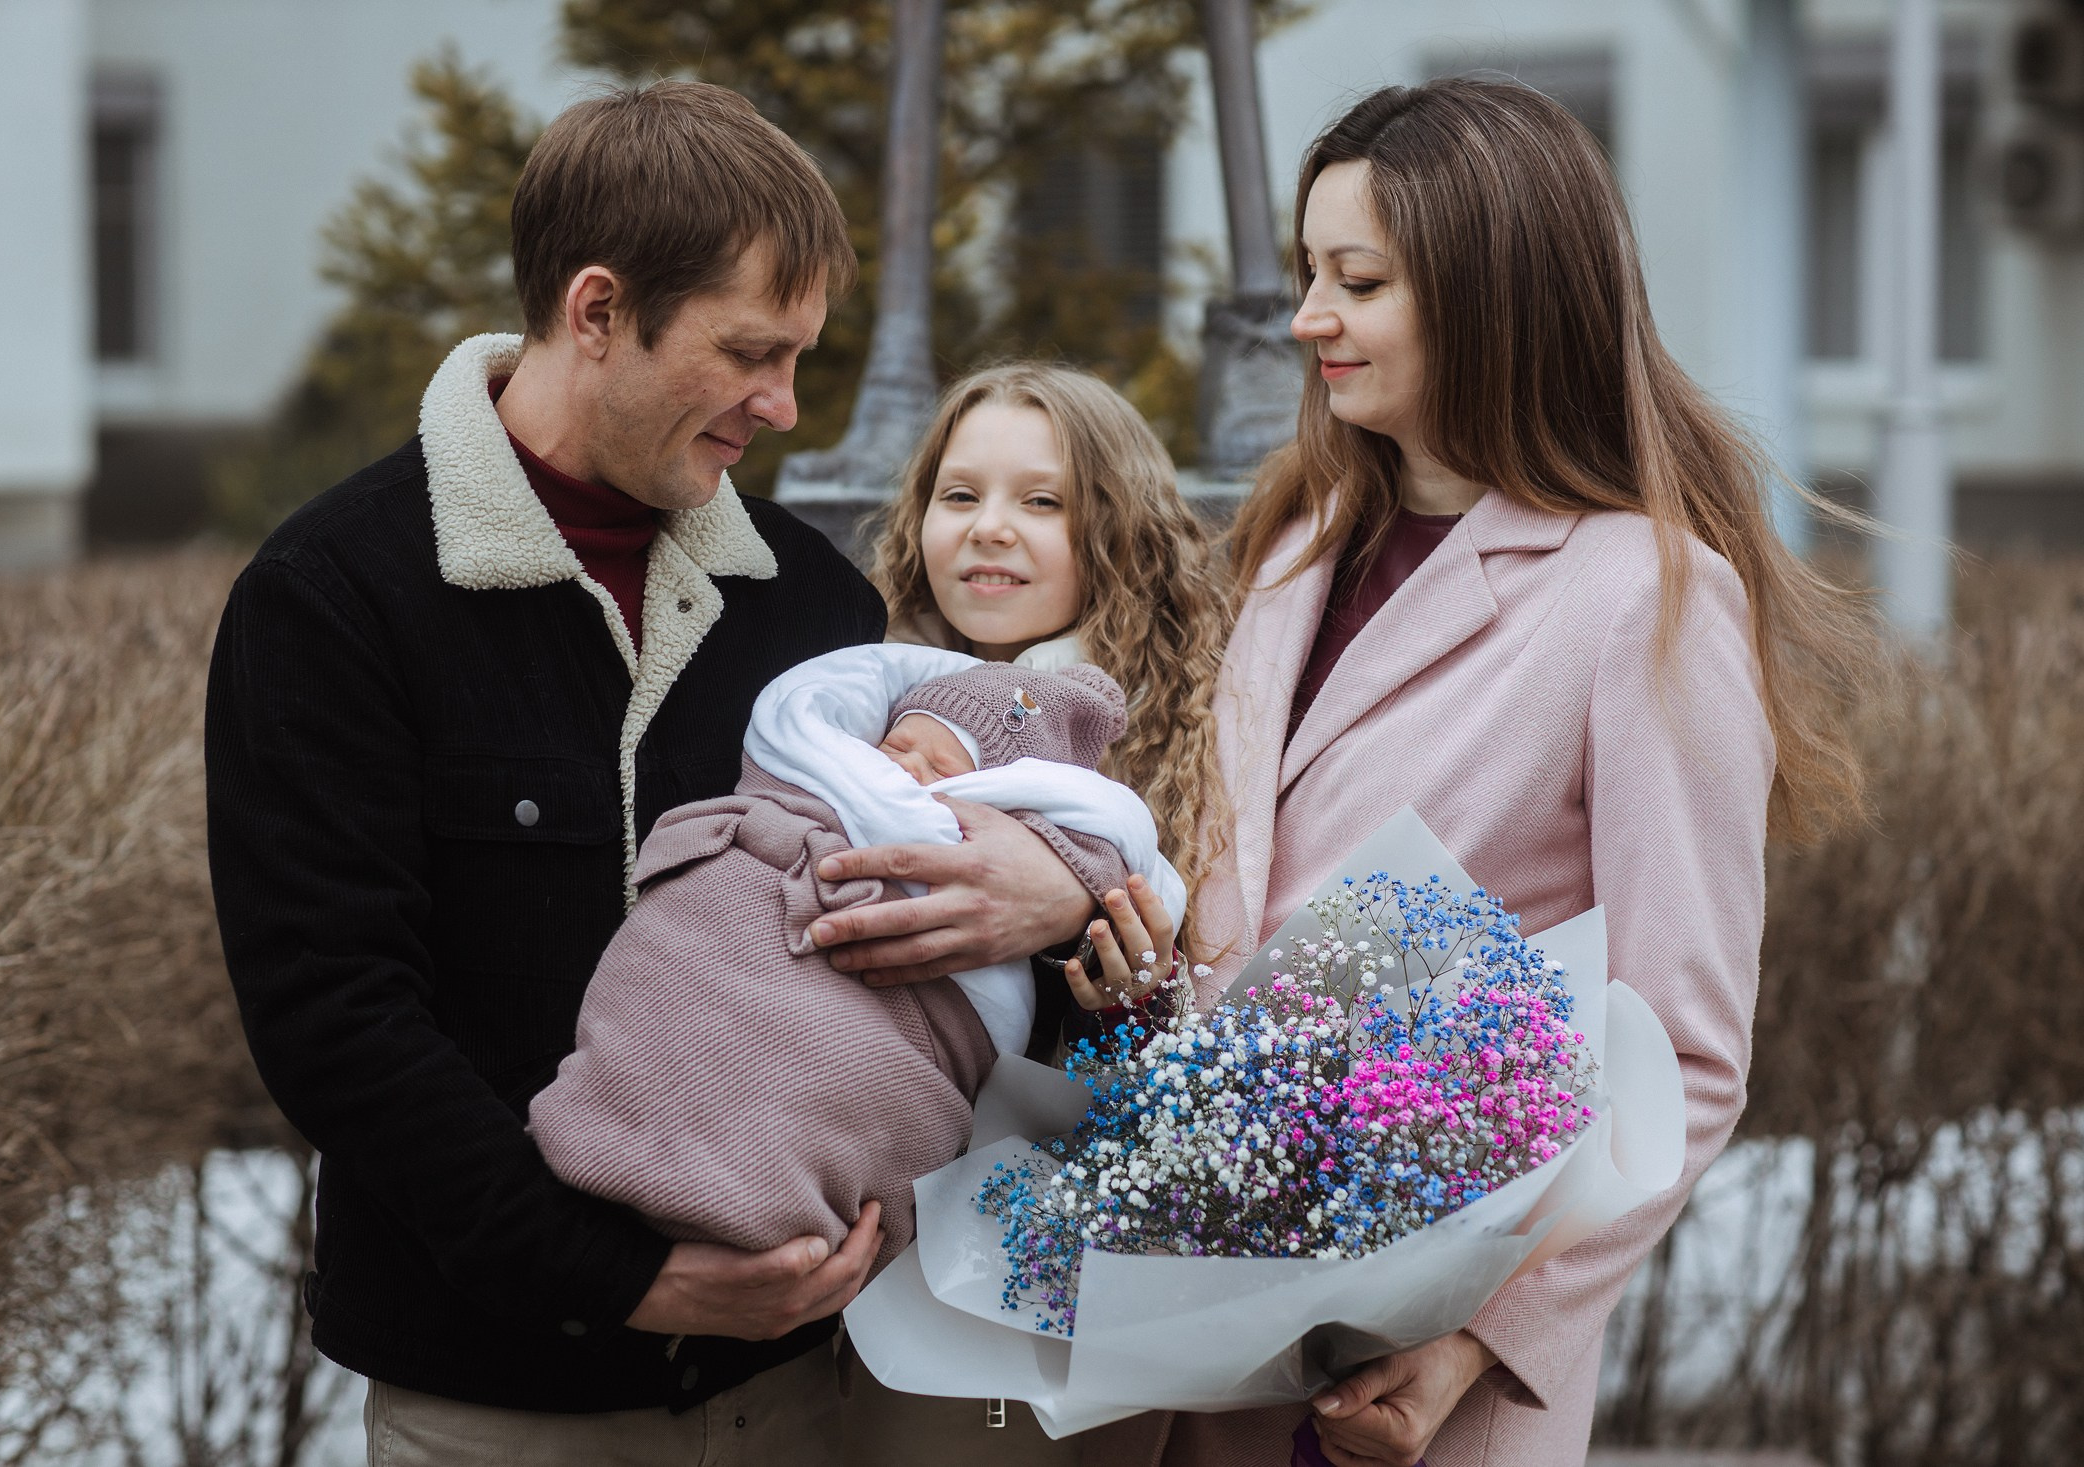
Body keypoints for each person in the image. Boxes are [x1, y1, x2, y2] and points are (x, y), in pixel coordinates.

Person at [204, 82, 1100, 1467]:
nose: (785, 406)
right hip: (495, 1407)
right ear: (600, 310)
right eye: (751, 351)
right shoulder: (333, 596)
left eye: (801, 355)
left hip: (810, 1394)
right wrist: (619, 1277)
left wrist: (1044, 899)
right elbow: (335, 1017)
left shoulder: (815, 609)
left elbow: (943, 970)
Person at [1077, 79, 1878, 1467]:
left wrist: (1474, 1341)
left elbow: (1682, 1056)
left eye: (1358, 280)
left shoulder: (1646, 595)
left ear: (1491, 294)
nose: (1308, 318)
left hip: (1414, 1391)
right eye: (1306, 273)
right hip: (1188, 1328)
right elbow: (1245, 883)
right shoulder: (1297, 536)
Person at [829, 365, 1234, 1464]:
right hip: (843, 1249)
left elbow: (1193, 1069)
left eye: (1041, 502)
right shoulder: (852, 706)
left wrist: (1125, 1000)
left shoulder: (1183, 734)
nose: (989, 531)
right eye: (958, 497)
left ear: (1119, 531)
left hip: (1046, 1280)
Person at [531, 657, 1179, 1272]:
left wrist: (1074, 900)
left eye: (946, 769)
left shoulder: (1104, 794)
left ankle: (786, 1190)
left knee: (835, 1072)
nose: (911, 771)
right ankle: (613, 1120)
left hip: (915, 1022)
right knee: (692, 1000)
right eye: (897, 749)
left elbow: (1127, 882)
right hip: (749, 924)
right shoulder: (843, 666)